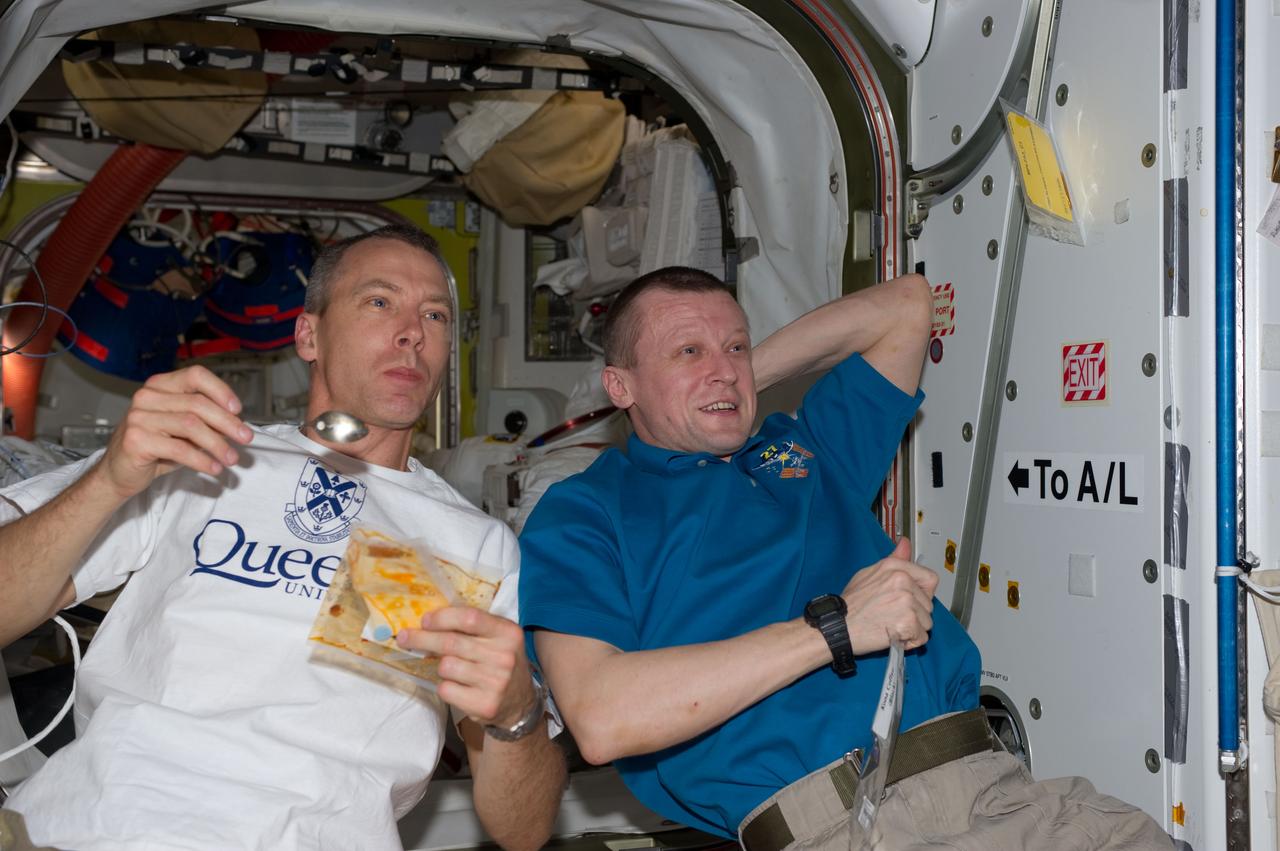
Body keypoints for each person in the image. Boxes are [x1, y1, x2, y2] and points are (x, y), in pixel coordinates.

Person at [517, 266, 1170, 850]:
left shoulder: (799, 451)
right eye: (686, 350)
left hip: (1004, 789)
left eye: (736, 344)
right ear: (619, 385)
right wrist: (833, 627)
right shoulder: (586, 512)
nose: (723, 364)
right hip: (842, 825)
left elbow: (906, 308)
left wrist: (728, 386)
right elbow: (601, 717)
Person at [0, 225, 565, 850]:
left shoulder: (473, 544)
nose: (413, 331)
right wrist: (107, 481)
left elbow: (525, 833)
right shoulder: (197, 452)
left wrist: (517, 715)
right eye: (379, 302)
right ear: (308, 334)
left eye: (434, 314)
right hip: (98, 826)